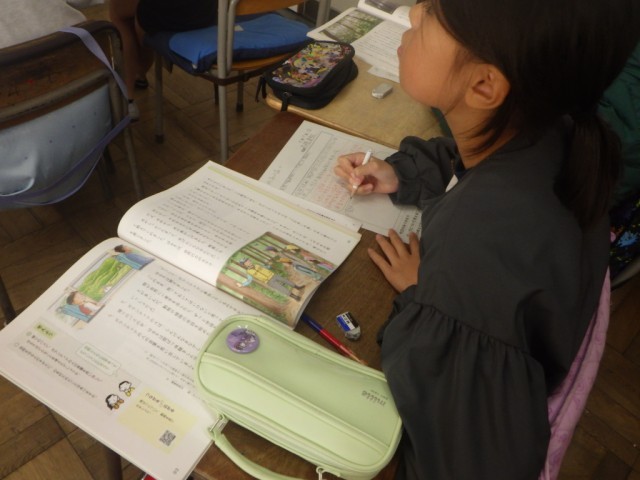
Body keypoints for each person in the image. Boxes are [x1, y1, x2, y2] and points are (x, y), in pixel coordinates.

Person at [334, 0, 639, 478]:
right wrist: (404, 172)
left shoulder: (475, 256)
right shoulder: (555, 134)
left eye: (435, 13)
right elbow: (472, 156)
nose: (413, 12)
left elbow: (465, 459)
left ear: (483, 86)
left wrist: (424, 298)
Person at [108, 0, 218, 120]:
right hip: (207, 13)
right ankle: (140, 73)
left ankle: (127, 98)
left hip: (175, 18)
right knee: (133, 9)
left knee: (117, 12)